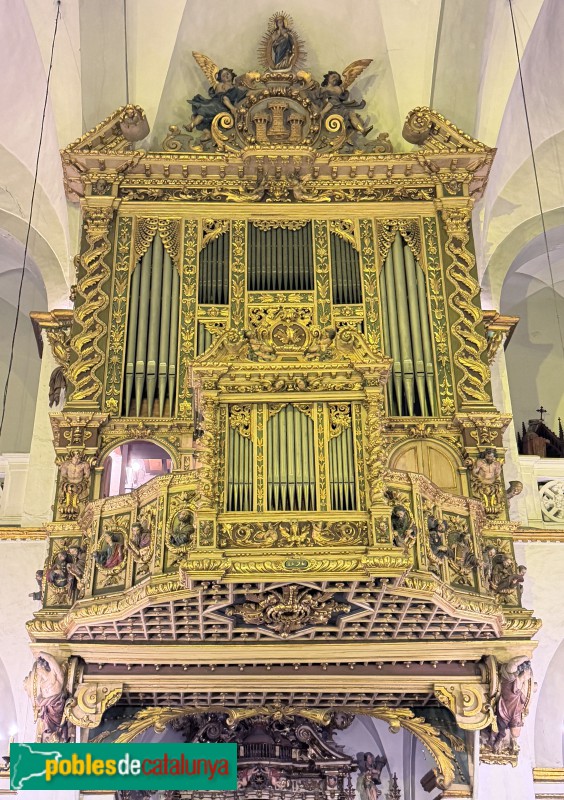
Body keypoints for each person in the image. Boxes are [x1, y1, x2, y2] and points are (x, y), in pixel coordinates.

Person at [187, 68, 247, 139]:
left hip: (225, 107)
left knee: (203, 113)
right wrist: (232, 107)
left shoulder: (236, 87)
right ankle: (200, 129)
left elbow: (245, 94)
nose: (226, 76)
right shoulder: (221, 85)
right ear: (221, 79)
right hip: (219, 104)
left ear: (231, 74)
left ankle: (196, 127)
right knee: (199, 113)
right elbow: (221, 96)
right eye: (223, 76)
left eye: (227, 74)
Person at [24, 652, 69, 742]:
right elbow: (40, 698)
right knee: (48, 728)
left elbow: (52, 659)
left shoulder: (55, 675)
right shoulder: (42, 683)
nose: (38, 671)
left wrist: (41, 653)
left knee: (56, 726)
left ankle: (55, 736)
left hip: (57, 707)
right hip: (47, 710)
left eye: (39, 668)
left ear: (44, 667)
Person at [490, 657, 532, 753]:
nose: (529, 675)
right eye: (528, 673)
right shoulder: (510, 677)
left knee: (514, 733)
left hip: (514, 712)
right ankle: (499, 741)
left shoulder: (522, 684)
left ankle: (506, 741)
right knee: (505, 730)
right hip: (505, 709)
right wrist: (526, 657)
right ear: (524, 672)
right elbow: (512, 664)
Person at [319, 71, 372, 136]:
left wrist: (323, 112)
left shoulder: (337, 88)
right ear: (328, 77)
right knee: (351, 115)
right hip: (332, 109)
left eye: (337, 78)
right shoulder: (323, 89)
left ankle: (362, 130)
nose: (335, 79)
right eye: (333, 77)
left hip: (337, 108)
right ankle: (361, 130)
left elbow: (333, 101)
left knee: (352, 115)